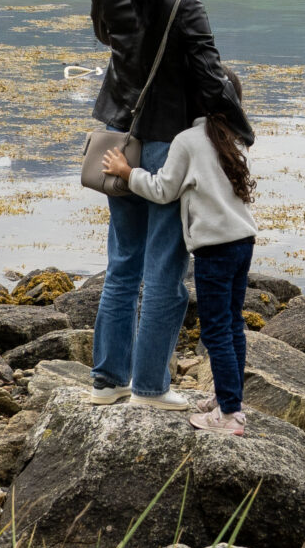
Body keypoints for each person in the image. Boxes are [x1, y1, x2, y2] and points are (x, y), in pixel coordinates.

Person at [87, 0, 238, 408]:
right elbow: (212, 80)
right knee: (165, 273)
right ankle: (150, 388)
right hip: (168, 148)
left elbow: (109, 40)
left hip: (118, 141)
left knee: (122, 264)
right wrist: (239, 125)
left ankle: (108, 383)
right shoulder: (185, 3)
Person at [105, 68, 256, 435]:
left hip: (213, 249)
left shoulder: (187, 140)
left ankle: (229, 415)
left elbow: (162, 190)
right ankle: (227, 398)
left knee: (216, 331)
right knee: (234, 325)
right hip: (243, 241)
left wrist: (127, 172)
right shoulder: (235, 138)